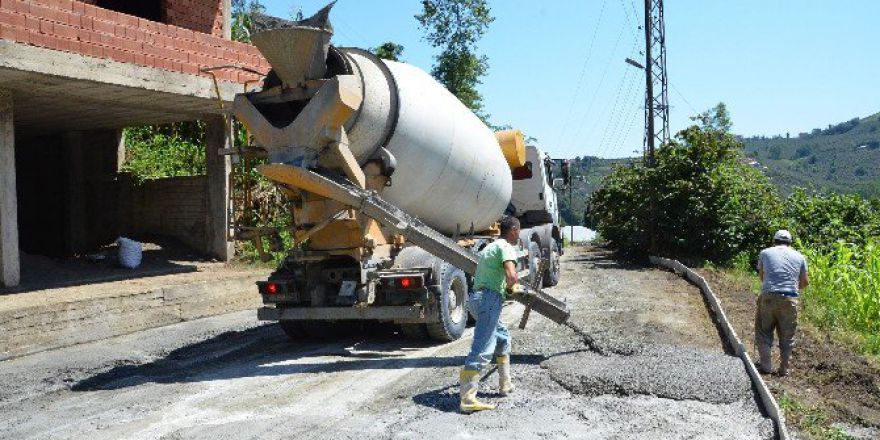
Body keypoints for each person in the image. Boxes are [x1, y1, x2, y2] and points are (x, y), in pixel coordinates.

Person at [459, 216, 521, 413]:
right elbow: (511, 276)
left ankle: (505, 384)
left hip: (477, 299)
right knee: (483, 347)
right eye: (518, 231)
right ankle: (467, 399)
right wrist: (513, 288)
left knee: (502, 338)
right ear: (513, 230)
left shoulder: (490, 247)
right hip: (489, 298)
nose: (519, 234)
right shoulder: (506, 247)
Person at [755, 229, 809, 376]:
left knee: (763, 332)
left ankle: (766, 365)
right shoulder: (800, 256)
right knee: (787, 336)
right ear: (790, 243)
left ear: (775, 241)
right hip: (790, 298)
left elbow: (762, 276)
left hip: (768, 296)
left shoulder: (765, 253)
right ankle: (784, 369)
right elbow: (804, 282)